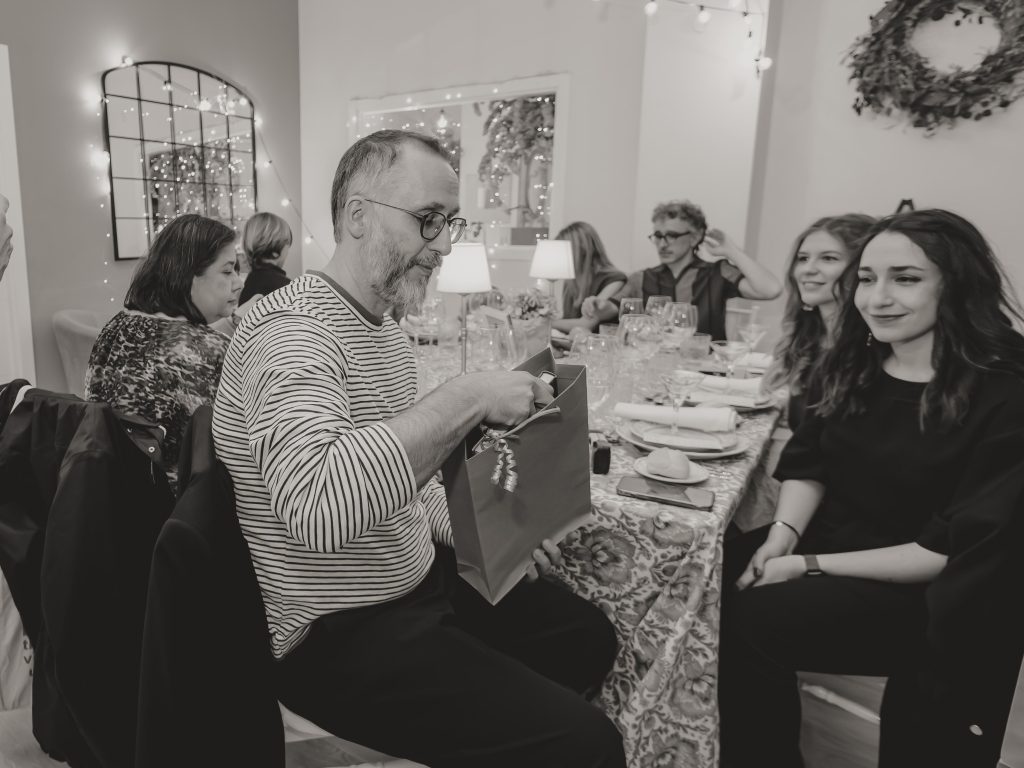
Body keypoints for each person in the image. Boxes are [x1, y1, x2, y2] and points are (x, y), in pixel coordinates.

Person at [212, 130, 625, 768]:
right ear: (356, 216)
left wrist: (485, 534)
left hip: (413, 580)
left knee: (586, 637)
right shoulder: (292, 332)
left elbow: (407, 484)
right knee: (588, 746)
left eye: (450, 223)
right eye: (427, 221)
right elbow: (319, 506)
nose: (441, 246)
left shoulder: (383, 331)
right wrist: (467, 397)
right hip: (336, 628)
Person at [718, 210, 1024, 768]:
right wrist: (782, 536)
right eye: (866, 278)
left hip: (940, 590)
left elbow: (947, 547)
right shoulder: (857, 359)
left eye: (905, 279)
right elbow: (810, 461)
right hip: (841, 540)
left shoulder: (1005, 392)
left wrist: (807, 564)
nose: (877, 298)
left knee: (756, 618)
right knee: (708, 572)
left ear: (955, 284)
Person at [85, 214, 259, 489]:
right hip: (186, 509)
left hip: (110, 495)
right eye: (227, 271)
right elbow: (243, 449)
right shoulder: (211, 350)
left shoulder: (114, 328)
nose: (238, 283)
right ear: (189, 274)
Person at [582, 200, 781, 339]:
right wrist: (598, 304)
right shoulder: (642, 278)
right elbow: (612, 307)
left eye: (671, 236)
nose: (663, 244)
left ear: (694, 238)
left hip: (706, 372)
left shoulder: (717, 272)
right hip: (657, 370)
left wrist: (732, 251)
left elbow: (771, 289)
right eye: (658, 236)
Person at [762, 213, 877, 429]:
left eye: (829, 258)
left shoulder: (871, 348)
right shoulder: (810, 338)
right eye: (803, 258)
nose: (808, 269)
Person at [551, 221, 626, 334]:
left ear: (581, 250)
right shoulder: (571, 281)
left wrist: (544, 323)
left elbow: (586, 324)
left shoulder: (614, 280)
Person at [239, 211, 292, 303]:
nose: (288, 252)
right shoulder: (283, 287)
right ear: (277, 246)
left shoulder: (250, 282)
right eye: (288, 245)